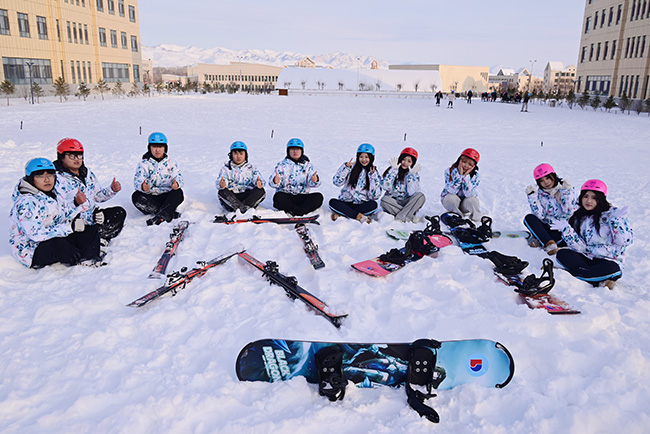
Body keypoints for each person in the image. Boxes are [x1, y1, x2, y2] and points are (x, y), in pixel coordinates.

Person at [9, 157, 102, 268]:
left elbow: (67, 215)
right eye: (40, 176)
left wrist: (90, 216)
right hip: (32, 250)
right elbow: (36, 235)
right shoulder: (26, 202)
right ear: (31, 178)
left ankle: (89, 259)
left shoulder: (55, 194)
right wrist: (69, 227)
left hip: (55, 236)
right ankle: (77, 259)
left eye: (50, 175)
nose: (47, 180)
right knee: (59, 245)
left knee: (90, 229)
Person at [553, 180, 633, 289]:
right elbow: (580, 248)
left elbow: (624, 242)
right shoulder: (579, 217)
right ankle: (595, 279)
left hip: (608, 261)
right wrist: (567, 231)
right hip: (588, 258)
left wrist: (617, 222)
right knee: (563, 254)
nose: (588, 201)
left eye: (594, 198)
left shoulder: (613, 214)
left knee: (611, 269)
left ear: (601, 199)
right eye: (586, 196)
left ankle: (570, 274)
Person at [53, 138, 126, 244]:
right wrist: (75, 203)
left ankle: (101, 237)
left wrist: (112, 189)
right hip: (75, 221)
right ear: (61, 157)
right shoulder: (56, 179)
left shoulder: (87, 173)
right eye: (72, 156)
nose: (76, 159)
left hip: (94, 216)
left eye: (79, 155)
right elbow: (59, 210)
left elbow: (97, 196)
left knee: (118, 213)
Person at [523, 163, 577, 255]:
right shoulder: (539, 194)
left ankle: (543, 240)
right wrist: (532, 197)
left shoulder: (565, 189)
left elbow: (569, 212)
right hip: (549, 227)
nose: (546, 182)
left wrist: (566, 192)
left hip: (565, 228)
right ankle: (550, 244)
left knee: (566, 233)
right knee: (529, 218)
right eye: (542, 180)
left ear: (554, 176)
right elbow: (540, 216)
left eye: (548, 178)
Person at [132, 132, 184, 226]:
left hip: (167, 196)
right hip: (151, 197)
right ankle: (167, 212)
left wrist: (177, 184)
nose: (157, 150)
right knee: (136, 197)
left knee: (178, 193)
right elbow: (137, 181)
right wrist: (143, 187)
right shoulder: (143, 164)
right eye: (154, 146)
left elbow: (179, 177)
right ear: (149, 148)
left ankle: (163, 214)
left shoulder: (171, 163)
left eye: (160, 147)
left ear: (165, 148)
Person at [329, 143, 383, 223]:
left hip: (361, 204)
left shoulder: (374, 172)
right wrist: (345, 169)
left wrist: (372, 177)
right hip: (346, 202)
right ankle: (358, 216)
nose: (363, 160)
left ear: (371, 158)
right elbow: (337, 182)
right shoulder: (350, 168)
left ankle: (345, 213)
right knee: (332, 202)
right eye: (361, 157)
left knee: (373, 205)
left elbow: (374, 196)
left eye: (366, 157)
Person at [268, 138, 323, 216]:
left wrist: (315, 180)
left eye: (298, 149)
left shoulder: (307, 166)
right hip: (287, 196)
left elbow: (313, 183)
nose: (295, 151)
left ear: (302, 151)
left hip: (302, 196)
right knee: (278, 197)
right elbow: (272, 182)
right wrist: (275, 181)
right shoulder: (282, 165)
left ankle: (295, 212)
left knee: (318, 197)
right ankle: (298, 211)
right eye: (292, 149)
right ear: (288, 151)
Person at [216, 141, 265, 213]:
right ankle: (240, 208)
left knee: (260, 191)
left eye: (241, 153)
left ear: (245, 155)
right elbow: (220, 181)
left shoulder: (251, 168)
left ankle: (243, 208)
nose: (238, 156)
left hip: (248, 196)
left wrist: (259, 183)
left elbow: (259, 179)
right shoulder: (226, 169)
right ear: (231, 155)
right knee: (222, 192)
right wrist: (222, 184)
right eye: (235, 153)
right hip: (233, 197)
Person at [380, 147, 425, 223]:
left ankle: (402, 216)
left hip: (408, 203)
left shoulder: (414, 174)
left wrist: (411, 175)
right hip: (393, 202)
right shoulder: (393, 170)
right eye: (404, 159)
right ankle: (408, 216)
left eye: (409, 161)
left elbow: (412, 193)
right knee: (384, 200)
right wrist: (393, 171)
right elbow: (386, 187)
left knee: (421, 196)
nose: (405, 163)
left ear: (413, 163)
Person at [440, 148, 481, 222]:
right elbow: (451, 191)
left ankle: (477, 220)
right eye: (464, 162)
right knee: (451, 198)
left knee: (472, 200)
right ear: (459, 160)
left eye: (470, 164)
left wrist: (465, 177)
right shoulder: (449, 171)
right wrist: (459, 176)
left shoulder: (475, 176)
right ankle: (456, 217)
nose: (466, 165)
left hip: (465, 204)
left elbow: (469, 194)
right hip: (451, 203)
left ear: (474, 166)